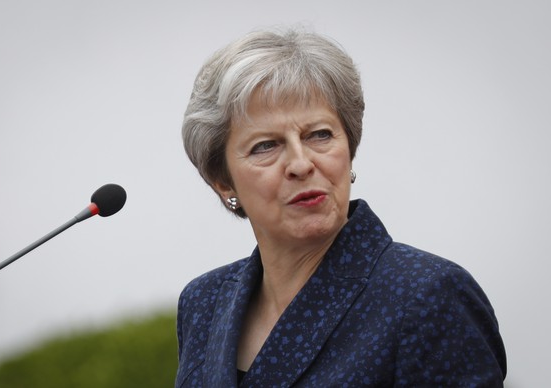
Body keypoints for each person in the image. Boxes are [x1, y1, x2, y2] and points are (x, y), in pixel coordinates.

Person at [176, 27, 506, 387]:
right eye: (265, 146)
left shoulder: (428, 295)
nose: (301, 164)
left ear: (349, 150)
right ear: (222, 182)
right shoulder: (204, 302)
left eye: (319, 135)